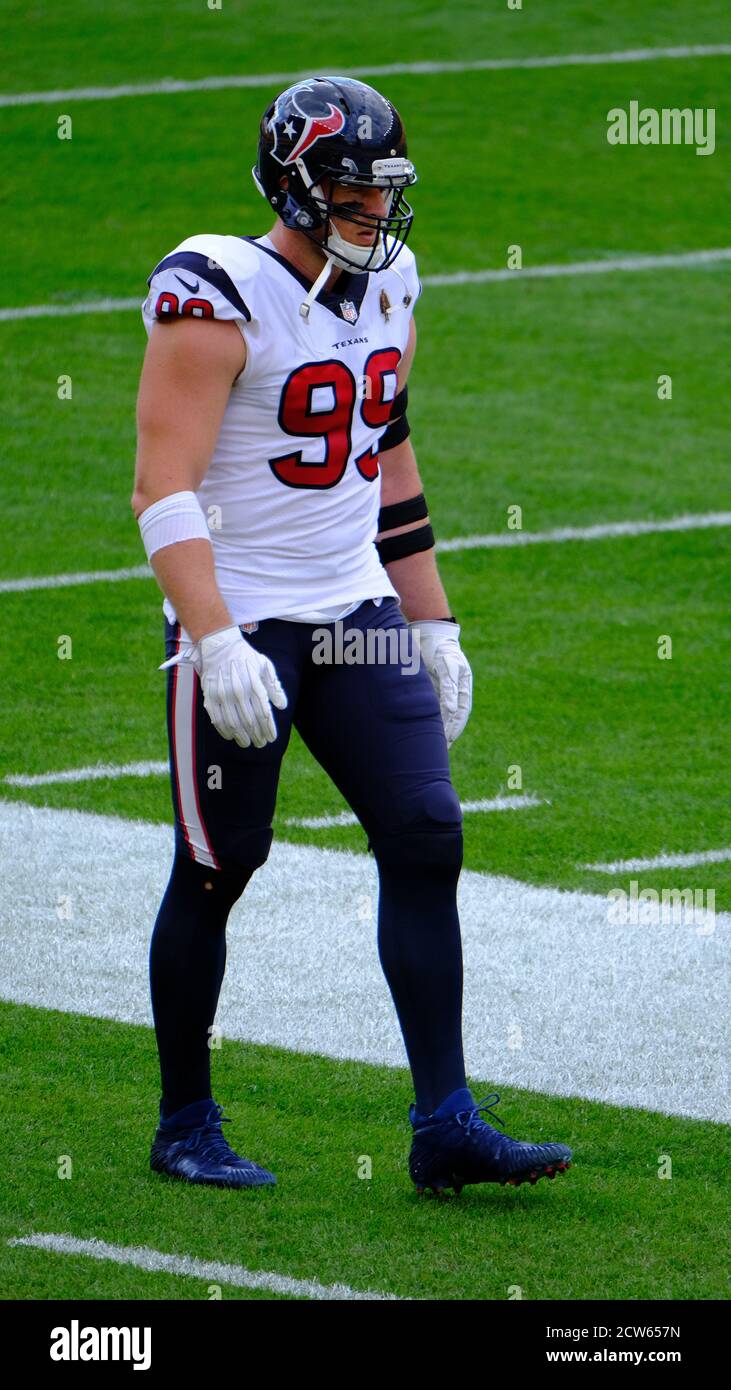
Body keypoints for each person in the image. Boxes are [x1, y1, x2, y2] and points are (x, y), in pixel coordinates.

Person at [131, 75, 572, 1196]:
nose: (376, 215)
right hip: (246, 619)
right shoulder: (217, 289)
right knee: (218, 864)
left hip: (354, 608)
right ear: (293, 184)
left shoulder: (389, 287)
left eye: (383, 192)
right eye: (351, 192)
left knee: (426, 836)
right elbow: (162, 486)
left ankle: (446, 1123)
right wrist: (214, 636)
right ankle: (185, 1119)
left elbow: (387, 449)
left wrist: (432, 619)